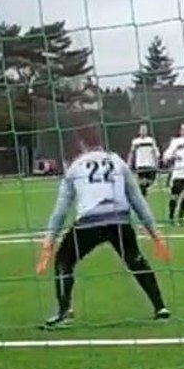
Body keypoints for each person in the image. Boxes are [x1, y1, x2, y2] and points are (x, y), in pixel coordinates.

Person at [36, 126, 172, 331]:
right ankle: (160, 307)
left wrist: (49, 241)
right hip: (120, 219)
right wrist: (155, 234)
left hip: (90, 220)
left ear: (81, 144)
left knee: (64, 260)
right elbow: (137, 201)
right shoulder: (118, 162)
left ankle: (64, 312)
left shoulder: (75, 167)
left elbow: (61, 209)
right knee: (136, 260)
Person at [127, 124, 160, 196]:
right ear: (139, 131)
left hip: (150, 164)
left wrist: (157, 162)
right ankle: (142, 195)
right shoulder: (136, 141)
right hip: (140, 164)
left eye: (145, 130)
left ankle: (142, 192)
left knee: (150, 182)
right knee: (142, 181)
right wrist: (129, 162)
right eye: (142, 130)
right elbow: (132, 152)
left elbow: (155, 152)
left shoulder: (151, 140)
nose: (143, 131)